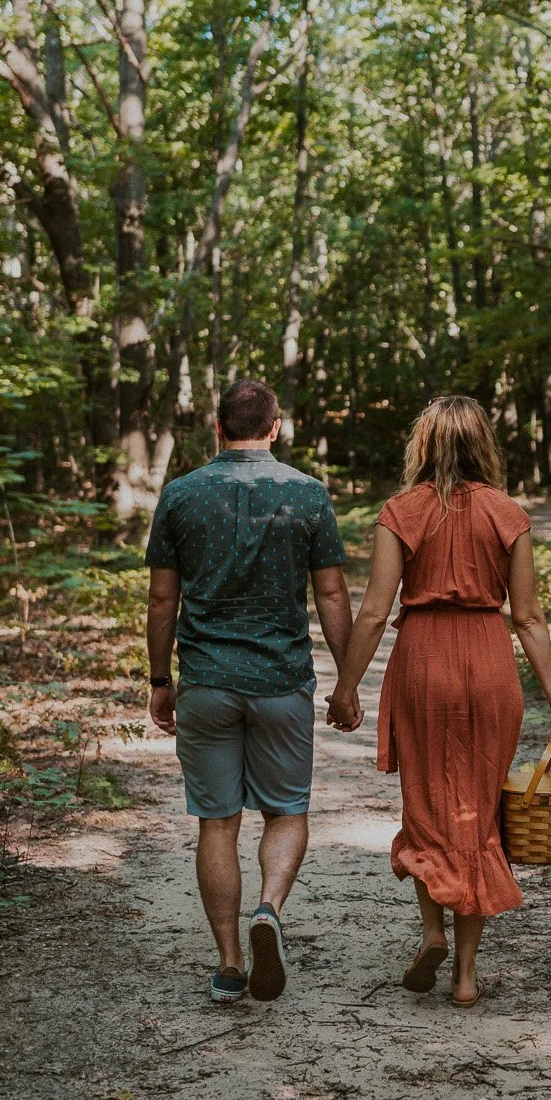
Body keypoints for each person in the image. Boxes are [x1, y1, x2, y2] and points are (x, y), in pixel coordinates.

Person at [326, 394, 551, 1007]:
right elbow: (531, 618)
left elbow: (375, 612)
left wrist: (346, 685)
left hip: (425, 661)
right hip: (489, 660)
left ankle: (432, 930)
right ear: (482, 445)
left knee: (429, 806)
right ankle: (465, 976)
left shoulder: (400, 510)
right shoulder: (509, 514)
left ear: (425, 445)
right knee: (480, 814)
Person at [145, 379, 352, 1005]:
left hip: (206, 682)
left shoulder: (181, 495)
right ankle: (269, 909)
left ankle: (230, 961)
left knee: (218, 822)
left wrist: (161, 681)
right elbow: (334, 594)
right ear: (276, 426)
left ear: (217, 427)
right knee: (286, 810)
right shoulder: (307, 493)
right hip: (280, 682)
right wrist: (346, 680)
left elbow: (161, 597)